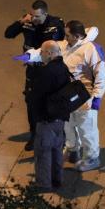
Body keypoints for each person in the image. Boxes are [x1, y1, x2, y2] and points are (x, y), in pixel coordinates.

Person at [22, 21, 105, 171]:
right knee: (68, 125)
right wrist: (29, 56)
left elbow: (101, 75)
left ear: (77, 36)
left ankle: (92, 158)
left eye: (67, 35)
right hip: (66, 94)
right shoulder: (65, 45)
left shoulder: (91, 50)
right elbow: (48, 50)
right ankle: (73, 149)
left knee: (86, 129)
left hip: (84, 96)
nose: (64, 38)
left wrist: (97, 98)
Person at [5, 0, 65, 151]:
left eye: (37, 16)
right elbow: (8, 34)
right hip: (33, 70)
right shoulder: (28, 22)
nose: (33, 19)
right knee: (31, 102)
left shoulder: (55, 25)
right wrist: (21, 21)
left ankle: (60, 136)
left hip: (49, 71)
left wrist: (31, 57)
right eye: (31, 15)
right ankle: (34, 135)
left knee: (52, 102)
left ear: (45, 13)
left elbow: (53, 48)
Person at [27, 41, 71, 191]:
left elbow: (37, 95)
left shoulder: (47, 72)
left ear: (50, 53)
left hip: (47, 119)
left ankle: (43, 184)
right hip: (60, 118)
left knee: (43, 152)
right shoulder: (63, 68)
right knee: (56, 150)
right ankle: (57, 180)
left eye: (42, 52)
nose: (40, 55)